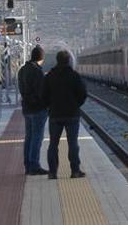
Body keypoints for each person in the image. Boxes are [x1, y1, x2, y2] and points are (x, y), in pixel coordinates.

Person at [42, 50, 88, 179]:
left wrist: (49, 106)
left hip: (55, 114)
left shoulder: (50, 76)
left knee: (53, 144)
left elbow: (43, 95)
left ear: (57, 60)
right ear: (68, 61)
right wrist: (76, 104)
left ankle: (52, 172)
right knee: (73, 143)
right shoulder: (74, 76)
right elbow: (83, 94)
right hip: (72, 114)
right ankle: (75, 171)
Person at [19, 46, 48, 175]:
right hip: (38, 110)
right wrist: (44, 104)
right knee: (37, 137)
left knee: (29, 137)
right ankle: (34, 166)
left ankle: (27, 165)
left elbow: (22, 89)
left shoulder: (22, 70)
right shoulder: (38, 72)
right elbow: (41, 92)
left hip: (26, 108)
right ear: (41, 58)